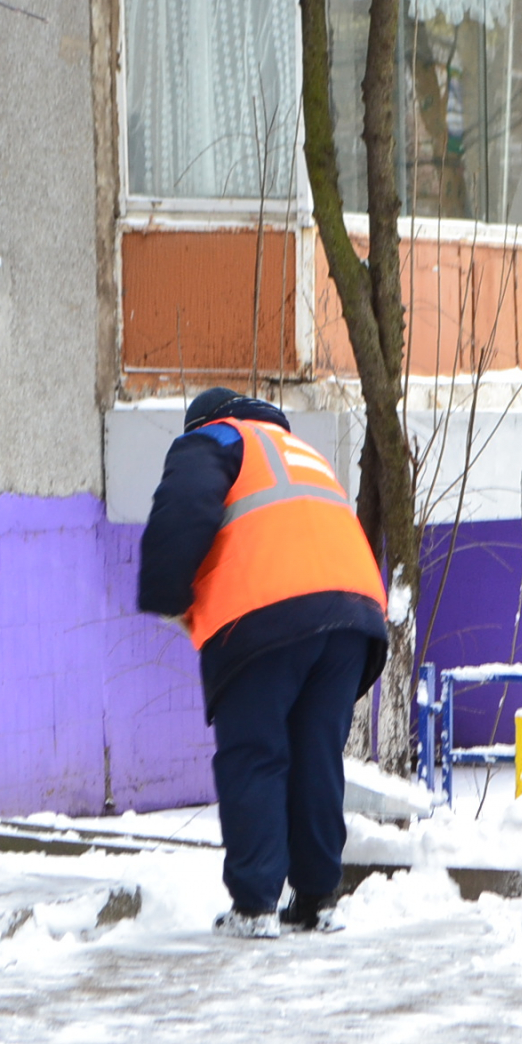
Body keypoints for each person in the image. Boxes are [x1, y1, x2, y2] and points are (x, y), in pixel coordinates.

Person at [137, 388, 387, 938]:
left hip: (267, 613)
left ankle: (254, 906)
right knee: (316, 755)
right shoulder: (300, 453)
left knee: (255, 755)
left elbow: (183, 507)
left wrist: (167, 595)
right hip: (353, 616)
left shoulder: (217, 437)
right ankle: (318, 898)